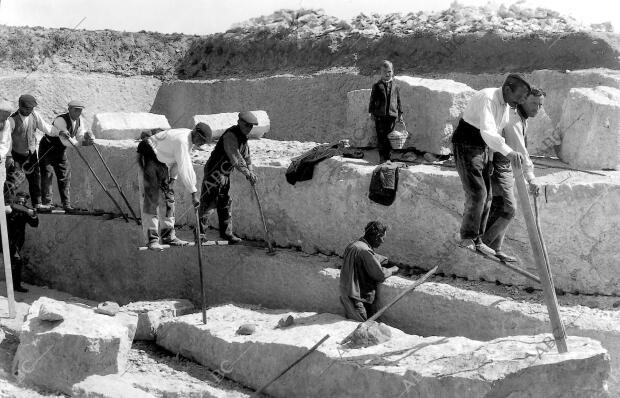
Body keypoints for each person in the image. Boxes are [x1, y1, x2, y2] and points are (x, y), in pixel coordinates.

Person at [451, 74, 531, 257]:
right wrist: (509, 152)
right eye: (519, 96)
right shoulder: (488, 97)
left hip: (482, 147)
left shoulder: (505, 105)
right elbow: (488, 131)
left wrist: (492, 157)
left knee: (488, 195)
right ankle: (466, 237)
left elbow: (496, 132)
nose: (520, 101)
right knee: (477, 192)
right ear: (508, 89)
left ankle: (478, 240)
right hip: (466, 145)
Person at [482, 88, 545, 262]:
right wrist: (531, 178)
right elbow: (521, 151)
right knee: (509, 208)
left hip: (506, 166)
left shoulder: (522, 118)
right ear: (523, 100)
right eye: (533, 103)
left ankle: (496, 248)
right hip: (497, 165)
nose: (537, 109)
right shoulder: (514, 119)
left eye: (540, 105)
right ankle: (483, 243)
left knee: (500, 205)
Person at [137, 123, 211, 251]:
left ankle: (168, 236)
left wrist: (172, 179)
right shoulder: (182, 140)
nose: (202, 144)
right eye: (202, 140)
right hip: (148, 154)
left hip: (162, 161)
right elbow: (185, 166)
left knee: (168, 198)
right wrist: (193, 193)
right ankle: (152, 240)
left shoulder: (189, 140)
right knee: (151, 200)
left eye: (204, 143)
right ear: (195, 132)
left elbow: (178, 161)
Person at [199, 112, 258, 244]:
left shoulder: (243, 137)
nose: (249, 128)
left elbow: (247, 157)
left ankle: (226, 234)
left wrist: (251, 171)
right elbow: (236, 158)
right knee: (209, 203)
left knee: (224, 201)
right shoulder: (231, 135)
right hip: (214, 172)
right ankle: (200, 234)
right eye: (247, 125)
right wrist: (247, 174)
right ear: (240, 122)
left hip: (224, 174)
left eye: (251, 126)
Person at [38, 100, 95, 213]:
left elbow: (79, 136)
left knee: (64, 175)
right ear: (69, 109)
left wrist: (87, 138)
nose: (78, 112)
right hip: (48, 149)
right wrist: (83, 143)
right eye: (76, 109)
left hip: (60, 151)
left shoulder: (79, 121)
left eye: (80, 110)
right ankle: (46, 204)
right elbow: (67, 142)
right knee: (47, 175)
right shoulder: (60, 120)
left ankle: (66, 205)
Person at [339, 221, 399, 321]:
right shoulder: (365, 251)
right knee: (363, 329)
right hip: (357, 301)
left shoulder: (354, 245)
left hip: (346, 296)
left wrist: (386, 260)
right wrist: (393, 269)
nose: (382, 241)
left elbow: (373, 257)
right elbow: (379, 275)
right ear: (377, 236)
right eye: (382, 238)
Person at [5, 94, 54, 209]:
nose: (29, 110)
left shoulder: (34, 115)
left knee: (35, 179)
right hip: (16, 155)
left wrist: (59, 132)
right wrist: (9, 156)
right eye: (27, 108)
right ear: (20, 106)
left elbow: (46, 128)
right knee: (13, 180)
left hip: (31, 154)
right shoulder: (12, 120)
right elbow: (7, 140)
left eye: (31, 108)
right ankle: (7, 203)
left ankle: (37, 203)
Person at [1, 191, 39, 293]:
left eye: (23, 201)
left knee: (17, 262)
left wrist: (34, 215)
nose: (21, 203)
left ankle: (16, 286)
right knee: (16, 261)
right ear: (16, 199)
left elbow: (34, 224)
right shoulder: (9, 206)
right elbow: (11, 207)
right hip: (2, 239)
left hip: (15, 242)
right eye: (19, 200)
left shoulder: (26, 211)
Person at [368, 60, 403, 163]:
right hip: (379, 115)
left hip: (392, 116)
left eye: (389, 71)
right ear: (380, 73)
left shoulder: (395, 86)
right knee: (381, 137)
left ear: (392, 72)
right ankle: (382, 158)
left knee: (390, 138)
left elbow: (398, 101)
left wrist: (400, 114)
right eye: (385, 72)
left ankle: (388, 158)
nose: (387, 74)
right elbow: (372, 100)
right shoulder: (377, 86)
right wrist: (371, 112)